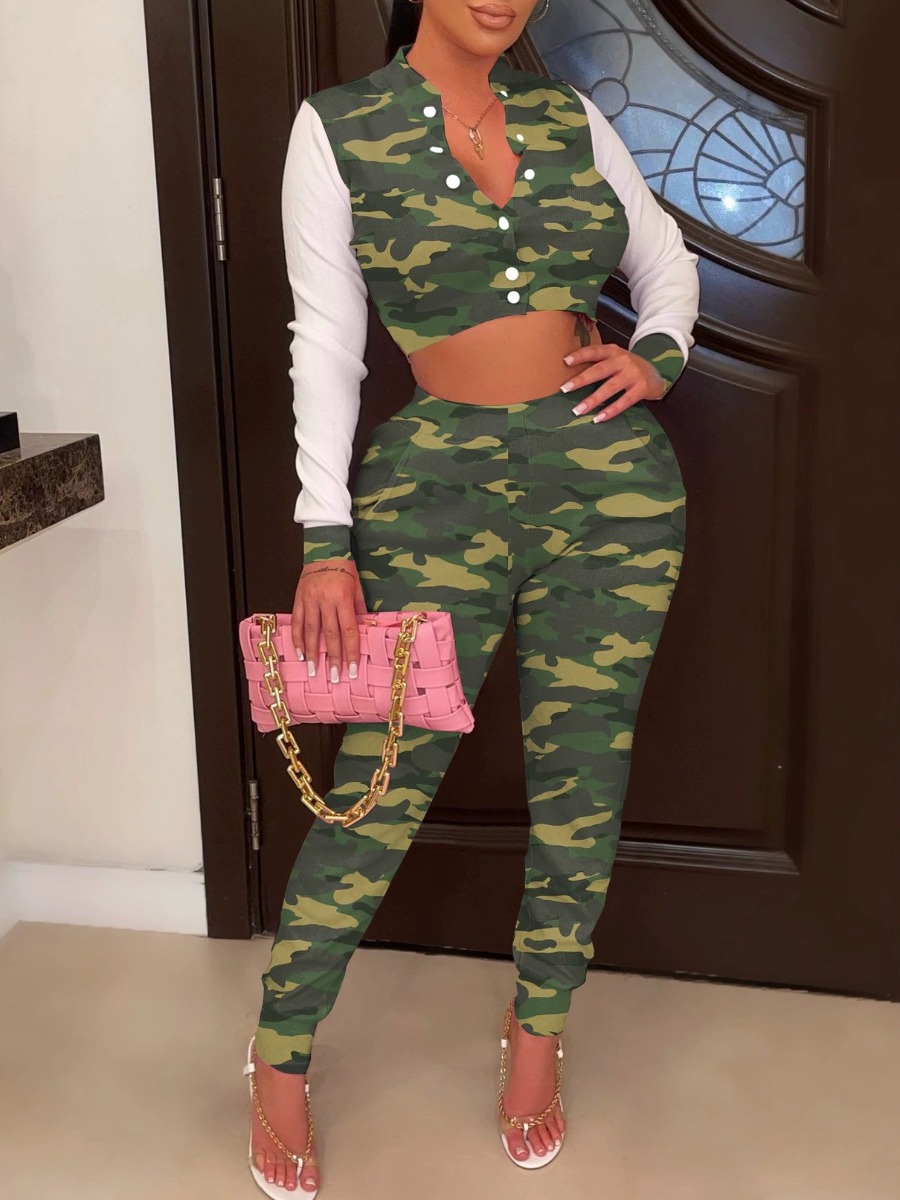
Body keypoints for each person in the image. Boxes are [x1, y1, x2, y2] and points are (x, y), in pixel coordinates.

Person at [244, 0, 700, 1193]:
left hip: (612, 494)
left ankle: (538, 1031)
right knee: (381, 784)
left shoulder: (571, 117)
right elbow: (325, 339)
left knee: (584, 780)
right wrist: (326, 537)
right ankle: (282, 1048)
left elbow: (663, 259)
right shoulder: (339, 127)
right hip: (434, 494)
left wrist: (657, 353)